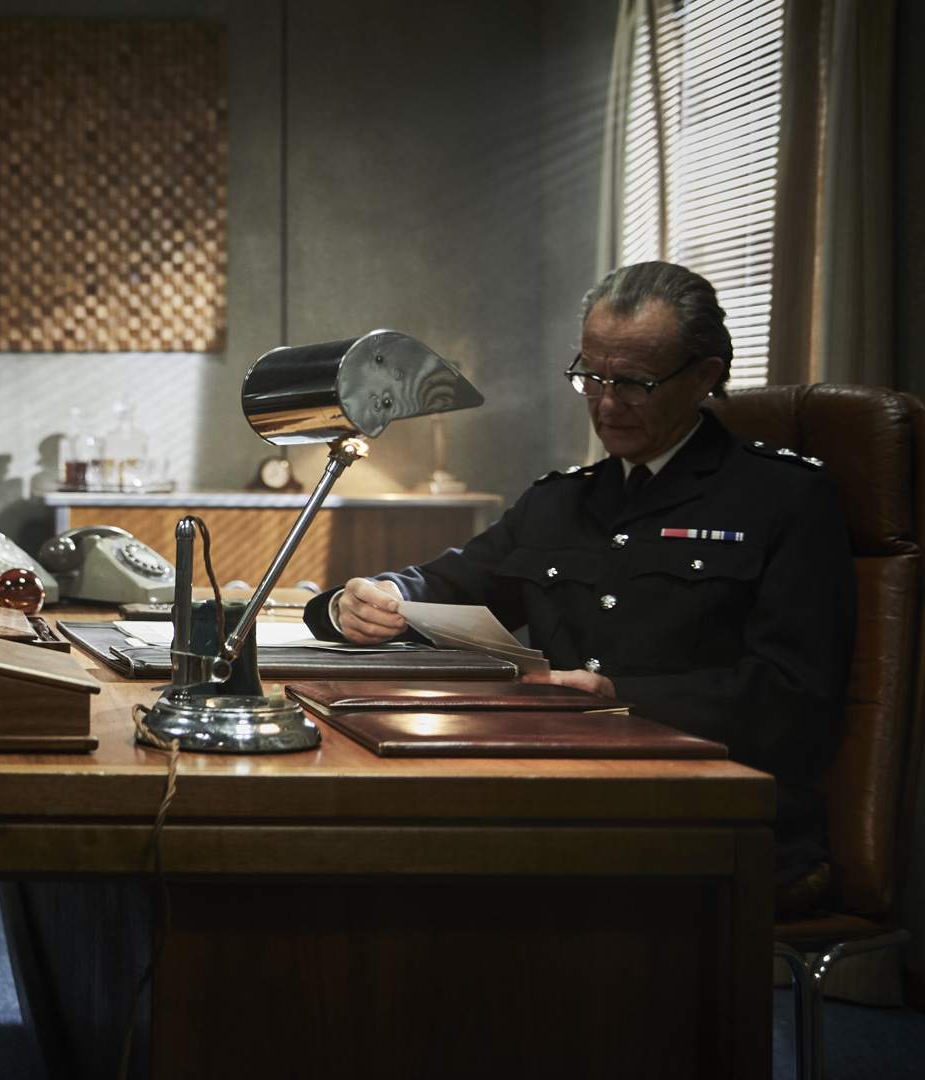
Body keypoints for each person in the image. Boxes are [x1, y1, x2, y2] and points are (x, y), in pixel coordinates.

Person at [303, 261, 854, 916]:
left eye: (635, 383)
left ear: (704, 376)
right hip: (561, 789)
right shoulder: (560, 501)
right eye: (591, 377)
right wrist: (360, 600)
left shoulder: (785, 497)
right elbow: (445, 584)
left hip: (709, 809)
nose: (607, 404)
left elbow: (794, 698)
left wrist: (621, 696)